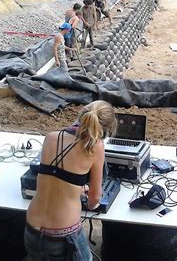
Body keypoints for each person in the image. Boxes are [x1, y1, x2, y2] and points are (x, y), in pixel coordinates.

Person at [25, 100, 117, 261]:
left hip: (31, 229)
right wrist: (86, 201)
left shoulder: (51, 137)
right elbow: (94, 199)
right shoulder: (96, 147)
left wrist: (74, 190)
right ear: (107, 128)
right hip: (62, 236)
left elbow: (54, 178)